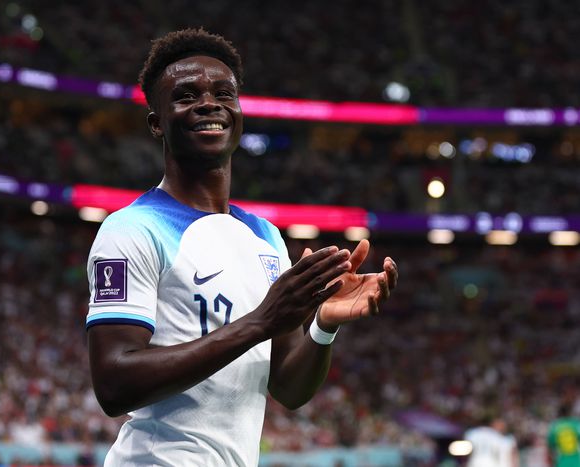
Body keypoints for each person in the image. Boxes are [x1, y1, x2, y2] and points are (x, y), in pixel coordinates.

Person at [86, 28, 398, 467]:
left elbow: (289, 389)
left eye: (223, 94)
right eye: (186, 96)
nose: (208, 104)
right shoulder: (132, 229)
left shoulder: (265, 237)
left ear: (238, 113)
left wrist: (323, 325)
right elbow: (114, 384)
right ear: (156, 122)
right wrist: (260, 322)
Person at [547, 402, 580, 467]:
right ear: (570, 413)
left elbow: (550, 449)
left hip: (561, 462)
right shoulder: (576, 424)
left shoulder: (554, 427)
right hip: (576, 462)